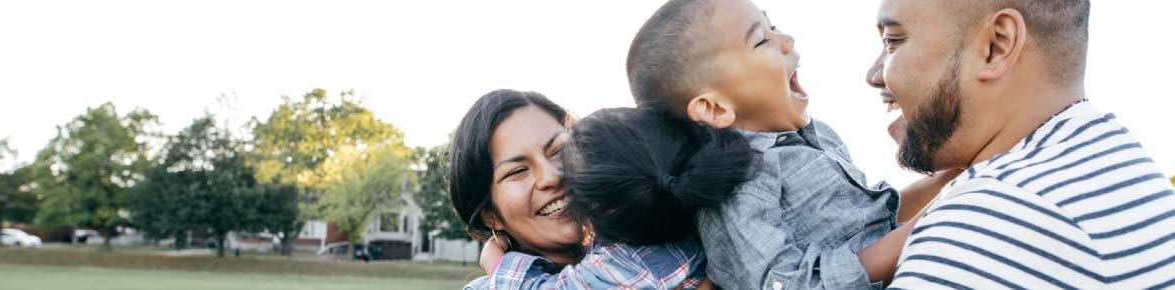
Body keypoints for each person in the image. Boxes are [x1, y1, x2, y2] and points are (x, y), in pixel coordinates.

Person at [622, 0, 958, 289]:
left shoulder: (816, 134)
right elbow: (785, 282)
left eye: (774, 26)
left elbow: (867, 223)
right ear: (714, 109)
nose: (786, 40)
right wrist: (930, 225)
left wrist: (952, 180)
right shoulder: (735, 187)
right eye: (760, 41)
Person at [867, 0, 1175, 288]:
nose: (874, 75)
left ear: (996, 46)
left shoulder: (991, 222)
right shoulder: (1109, 163)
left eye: (893, 41)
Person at [452, 89, 709, 289]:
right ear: (490, 214)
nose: (552, 176)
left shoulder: (668, 231)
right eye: (517, 171)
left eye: (560, 151)